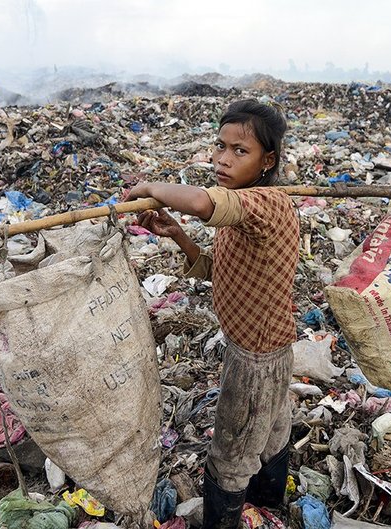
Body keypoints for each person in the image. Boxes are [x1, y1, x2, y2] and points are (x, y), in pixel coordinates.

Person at [126, 99, 298, 529]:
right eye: (220, 147)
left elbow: (204, 203)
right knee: (273, 433)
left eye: (240, 151)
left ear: (268, 161)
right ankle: (269, 507)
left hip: (256, 358)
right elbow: (216, 270)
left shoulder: (265, 203)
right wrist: (178, 236)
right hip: (267, 349)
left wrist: (151, 187)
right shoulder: (241, 207)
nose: (223, 159)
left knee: (232, 453)